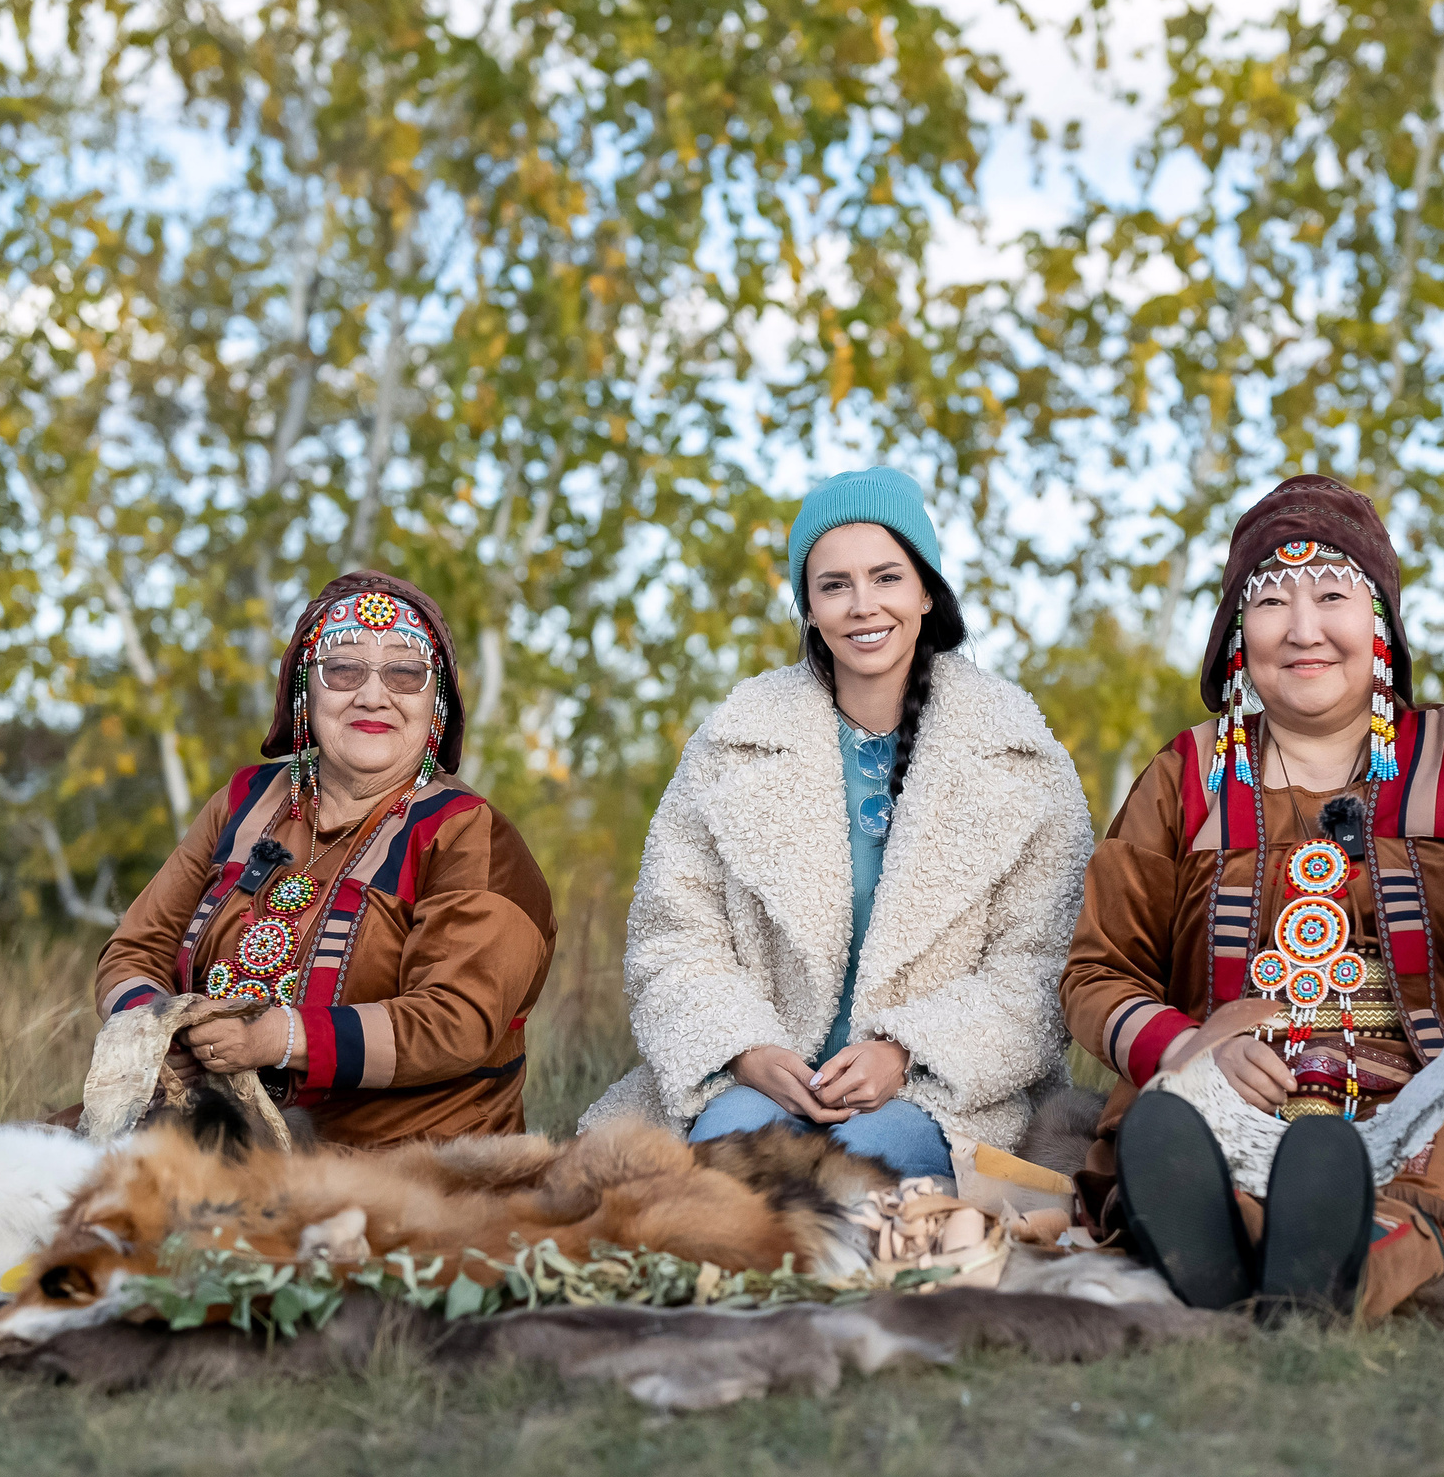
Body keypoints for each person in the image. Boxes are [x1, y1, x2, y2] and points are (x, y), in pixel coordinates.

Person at [1061, 476, 1444, 1315]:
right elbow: (1097, 970)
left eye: (1333, 595)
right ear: (1238, 635)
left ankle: (1320, 1270)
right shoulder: (1184, 778)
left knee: (1433, 1153)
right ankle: (1220, 1233)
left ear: (1379, 624)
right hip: (1232, 1082)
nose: (1303, 629)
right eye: (1272, 603)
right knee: (1180, 1125)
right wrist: (1184, 1047)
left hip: (1417, 1091)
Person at [581, 467, 1093, 1177]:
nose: (862, 605)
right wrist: (745, 1048)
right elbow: (673, 937)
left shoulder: (1023, 761)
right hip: (756, 1078)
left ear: (924, 591)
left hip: (941, 1095)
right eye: (833, 584)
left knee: (860, 1172)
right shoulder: (731, 746)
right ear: (809, 606)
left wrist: (905, 1050)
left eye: (886, 577)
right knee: (729, 1161)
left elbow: (1039, 970)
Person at [95, 572, 557, 1146]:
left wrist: (278, 1038)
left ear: (435, 702)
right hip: (212, 1127)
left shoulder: (470, 836)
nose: (372, 695)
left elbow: (456, 1022)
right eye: (343, 669)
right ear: (303, 693)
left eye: (404, 673)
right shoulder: (243, 801)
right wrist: (165, 1031)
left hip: (409, 1163)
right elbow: (133, 951)